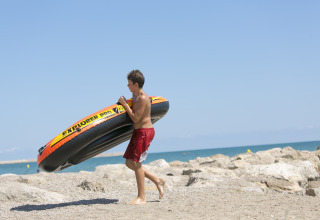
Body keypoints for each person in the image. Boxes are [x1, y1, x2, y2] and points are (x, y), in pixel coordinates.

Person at [118, 70, 165, 205]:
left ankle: (141, 198)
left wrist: (125, 104)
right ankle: (157, 180)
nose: (127, 86)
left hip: (145, 132)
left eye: (129, 83)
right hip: (137, 132)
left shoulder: (143, 98)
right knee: (129, 162)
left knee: (137, 164)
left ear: (136, 84)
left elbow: (136, 118)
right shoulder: (135, 95)